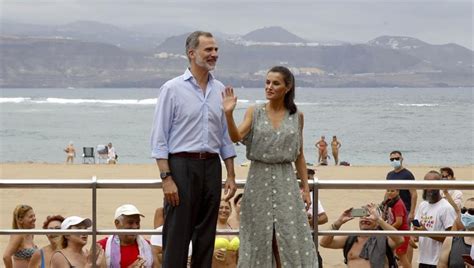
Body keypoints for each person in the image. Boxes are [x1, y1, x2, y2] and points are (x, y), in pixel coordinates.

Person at [150, 30, 237, 268]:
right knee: (177, 235)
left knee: (206, 237)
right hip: (181, 165)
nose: (214, 54)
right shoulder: (172, 89)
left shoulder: (220, 89)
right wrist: (166, 177)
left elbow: (224, 137)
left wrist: (230, 173)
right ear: (191, 53)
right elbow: (159, 138)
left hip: (211, 166)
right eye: (208, 49)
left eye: (216, 49)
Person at [223, 66, 317, 267]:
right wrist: (228, 114)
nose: (269, 87)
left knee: (288, 236)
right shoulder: (254, 111)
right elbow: (235, 137)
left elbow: (299, 155)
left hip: (286, 181)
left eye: (275, 83)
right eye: (267, 82)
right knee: (259, 236)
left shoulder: (297, 116)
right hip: (258, 180)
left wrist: (306, 189)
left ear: (287, 87)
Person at [320, 203, 404, 268]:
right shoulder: (350, 239)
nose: (365, 218)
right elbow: (324, 243)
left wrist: (379, 219)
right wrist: (338, 223)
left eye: (369, 215)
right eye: (362, 216)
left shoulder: (384, 238)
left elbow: (400, 240)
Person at [413, 170, 457, 268]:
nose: (427, 188)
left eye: (431, 184)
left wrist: (427, 233)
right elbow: (418, 228)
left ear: (439, 186)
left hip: (438, 261)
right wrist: (414, 236)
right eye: (425, 184)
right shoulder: (422, 205)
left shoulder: (446, 208)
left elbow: (451, 238)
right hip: (423, 258)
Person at [438, 197, 474, 268]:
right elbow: (441, 265)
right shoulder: (451, 239)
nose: (466, 214)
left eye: (471, 212)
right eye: (463, 211)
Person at [381, 189, 411, 268]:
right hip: (396, 233)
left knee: (402, 255)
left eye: (392, 191)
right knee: (396, 255)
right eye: (388, 191)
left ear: (398, 192)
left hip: (402, 233)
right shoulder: (390, 203)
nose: (389, 193)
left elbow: (399, 222)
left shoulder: (398, 204)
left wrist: (387, 229)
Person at [212, 199, 239, 268]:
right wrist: (212, 253)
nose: (224, 210)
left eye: (227, 208)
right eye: (221, 207)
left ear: (230, 211)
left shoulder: (232, 229)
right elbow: (200, 250)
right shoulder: (211, 229)